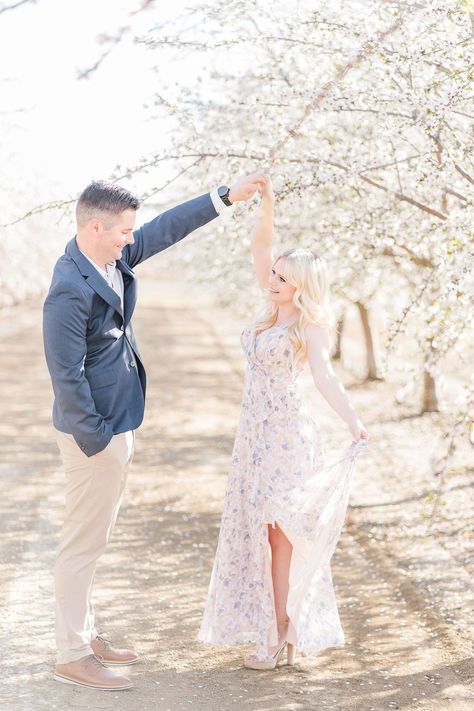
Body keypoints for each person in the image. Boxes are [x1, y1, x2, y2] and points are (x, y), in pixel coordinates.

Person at [43, 174, 266, 690]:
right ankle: (71, 654)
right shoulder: (69, 287)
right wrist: (97, 439)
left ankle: (85, 632)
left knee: (93, 540)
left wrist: (225, 197)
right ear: (94, 226)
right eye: (123, 231)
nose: (131, 238)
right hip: (93, 435)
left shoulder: (109, 255)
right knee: (82, 543)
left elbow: (167, 228)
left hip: (117, 422)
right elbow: (65, 374)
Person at [198, 175, 369, 670]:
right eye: (272, 275)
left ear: (302, 287)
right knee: (261, 532)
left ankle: (279, 633)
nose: (271, 282)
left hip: (287, 435)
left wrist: (354, 422)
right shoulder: (270, 310)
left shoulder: (308, 325)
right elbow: (260, 243)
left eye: (281, 279)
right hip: (252, 436)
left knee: (281, 535)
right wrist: (266, 203)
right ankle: (281, 629)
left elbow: (325, 376)